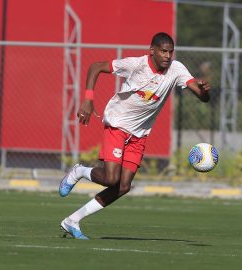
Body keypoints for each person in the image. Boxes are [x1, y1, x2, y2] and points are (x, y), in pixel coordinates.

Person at [59, 32, 211, 240]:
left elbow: (201, 96)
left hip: (139, 134)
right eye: (163, 51)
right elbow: (96, 67)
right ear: (152, 51)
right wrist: (88, 100)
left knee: (123, 187)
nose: (167, 55)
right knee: (111, 178)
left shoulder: (176, 69)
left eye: (170, 51)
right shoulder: (136, 65)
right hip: (118, 124)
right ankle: (79, 171)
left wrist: (204, 91)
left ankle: (72, 220)